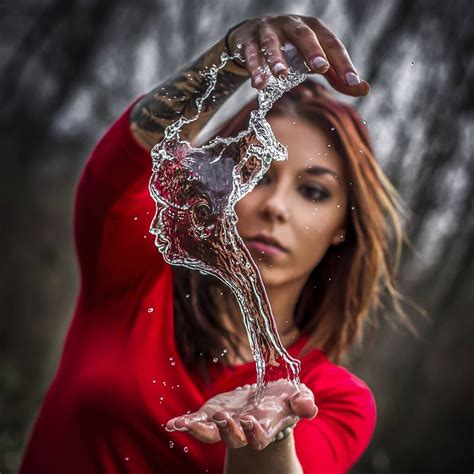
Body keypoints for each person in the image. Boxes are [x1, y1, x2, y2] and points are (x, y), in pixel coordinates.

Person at [19, 15, 406, 474]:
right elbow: (131, 158)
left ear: (343, 225)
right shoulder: (136, 271)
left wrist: (268, 438)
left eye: (313, 191)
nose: (275, 206)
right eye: (257, 174)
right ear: (218, 180)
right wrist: (228, 62)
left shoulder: (332, 399)